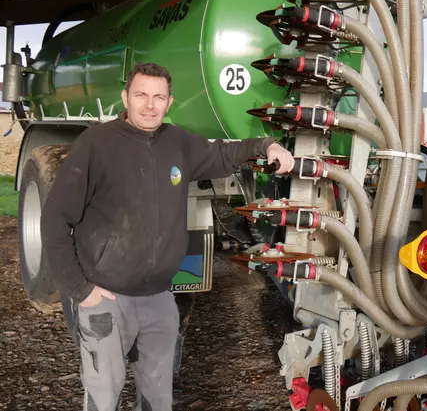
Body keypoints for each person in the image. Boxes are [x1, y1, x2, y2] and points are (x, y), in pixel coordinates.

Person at [40, 62, 294, 411]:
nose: (149, 105)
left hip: (160, 299)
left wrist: (268, 145)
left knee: (158, 398)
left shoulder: (178, 142)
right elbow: (56, 218)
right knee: (103, 397)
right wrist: (80, 290)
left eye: (158, 97)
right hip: (107, 299)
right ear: (125, 97)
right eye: (141, 95)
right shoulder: (96, 144)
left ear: (169, 102)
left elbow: (224, 153)